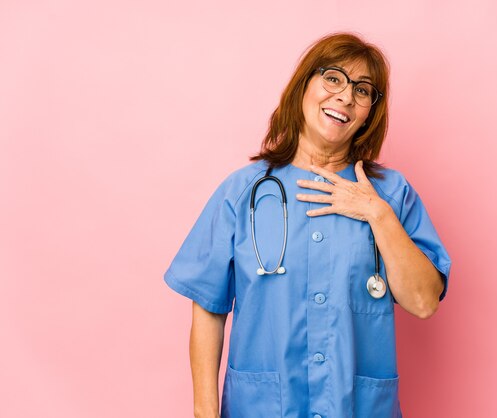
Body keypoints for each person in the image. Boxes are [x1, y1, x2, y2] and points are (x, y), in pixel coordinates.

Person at [164, 32, 451, 418]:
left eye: (363, 90)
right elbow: (209, 307)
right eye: (333, 78)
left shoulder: (391, 195)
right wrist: (204, 412)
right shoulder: (242, 191)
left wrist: (377, 214)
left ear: (369, 112)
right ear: (304, 86)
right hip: (262, 408)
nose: (346, 97)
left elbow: (423, 301)